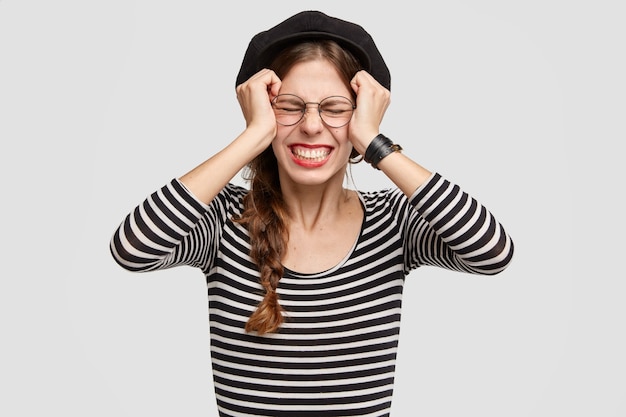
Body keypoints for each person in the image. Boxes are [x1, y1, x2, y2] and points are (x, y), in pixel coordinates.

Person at [110, 10, 514, 417]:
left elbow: (492, 252)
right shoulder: (223, 221)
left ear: (360, 118)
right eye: (290, 106)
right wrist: (251, 136)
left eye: (335, 109)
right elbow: (132, 248)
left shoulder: (394, 224)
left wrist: (375, 144)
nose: (311, 126)